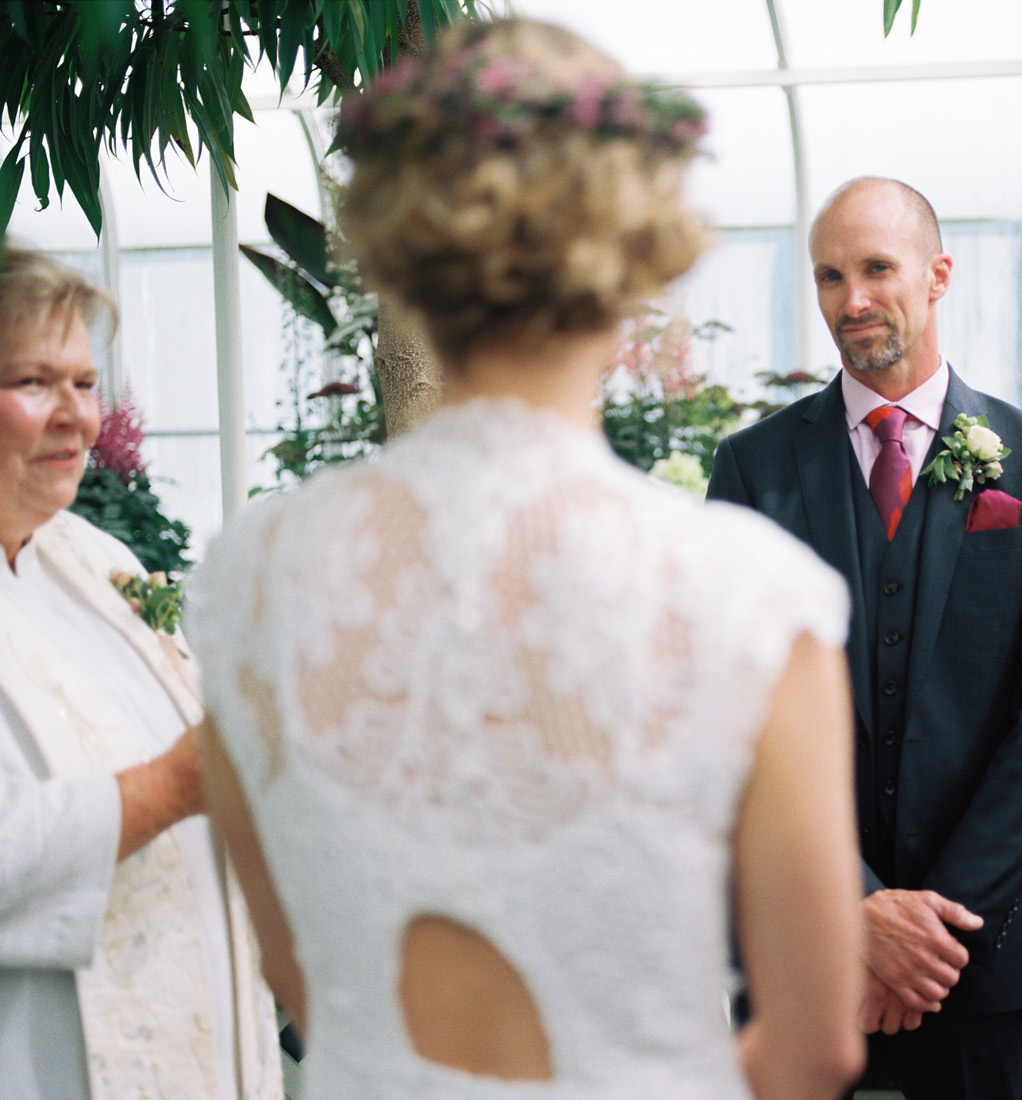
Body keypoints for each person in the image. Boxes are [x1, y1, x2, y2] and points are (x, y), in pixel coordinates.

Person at [186, 17, 866, 1100]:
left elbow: (302, 979)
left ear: (399, 249)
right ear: (633, 256)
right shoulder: (748, 593)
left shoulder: (248, 577)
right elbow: (816, 1043)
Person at [707, 176, 1022, 1100]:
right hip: (801, 935)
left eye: (877, 269)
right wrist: (853, 904)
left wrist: (931, 932)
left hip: (984, 948)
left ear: (938, 275)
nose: (854, 300)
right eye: (830, 276)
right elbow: (728, 711)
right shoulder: (753, 469)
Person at [0, 247, 282, 1099]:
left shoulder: (97, 559)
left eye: (85, 384)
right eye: (34, 382)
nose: (76, 418)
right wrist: (177, 783)